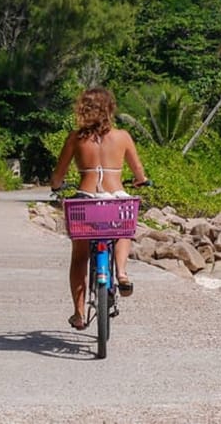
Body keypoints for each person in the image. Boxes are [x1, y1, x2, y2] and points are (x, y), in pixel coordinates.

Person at [49, 87, 150, 330]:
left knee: (80, 257)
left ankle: (79, 313)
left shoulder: (75, 138)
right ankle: (122, 273)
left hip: (86, 200)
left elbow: (57, 177)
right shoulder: (123, 136)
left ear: (83, 109)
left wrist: (57, 185)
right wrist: (140, 181)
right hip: (115, 199)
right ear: (110, 109)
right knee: (125, 229)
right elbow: (139, 173)